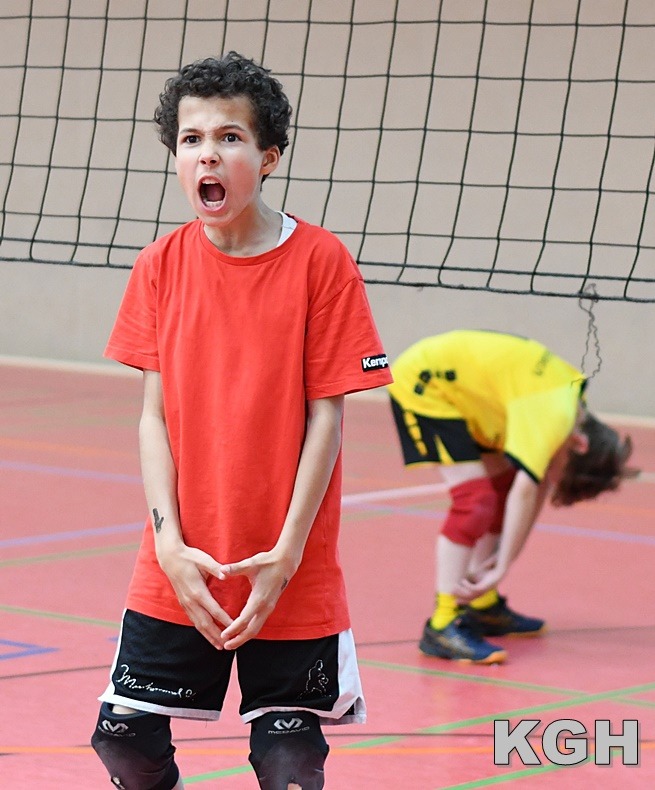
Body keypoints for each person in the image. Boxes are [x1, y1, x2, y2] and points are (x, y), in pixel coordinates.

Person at [90, 51, 392, 790]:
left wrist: (287, 552)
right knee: (123, 741)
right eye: (191, 139)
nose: (207, 153)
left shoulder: (321, 261)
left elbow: (327, 421)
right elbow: (153, 419)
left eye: (229, 137)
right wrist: (168, 544)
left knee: (289, 764)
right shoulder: (159, 265)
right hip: (180, 562)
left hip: (289, 566)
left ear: (268, 156)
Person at [387, 329, 634, 665]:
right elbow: (528, 489)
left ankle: (481, 605)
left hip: (474, 396)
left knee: (500, 491)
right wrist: (501, 566)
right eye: (565, 474)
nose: (555, 479)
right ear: (580, 445)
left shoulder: (574, 410)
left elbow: (535, 487)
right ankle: (442, 624)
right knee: (475, 500)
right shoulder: (556, 415)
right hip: (428, 385)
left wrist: (504, 560)